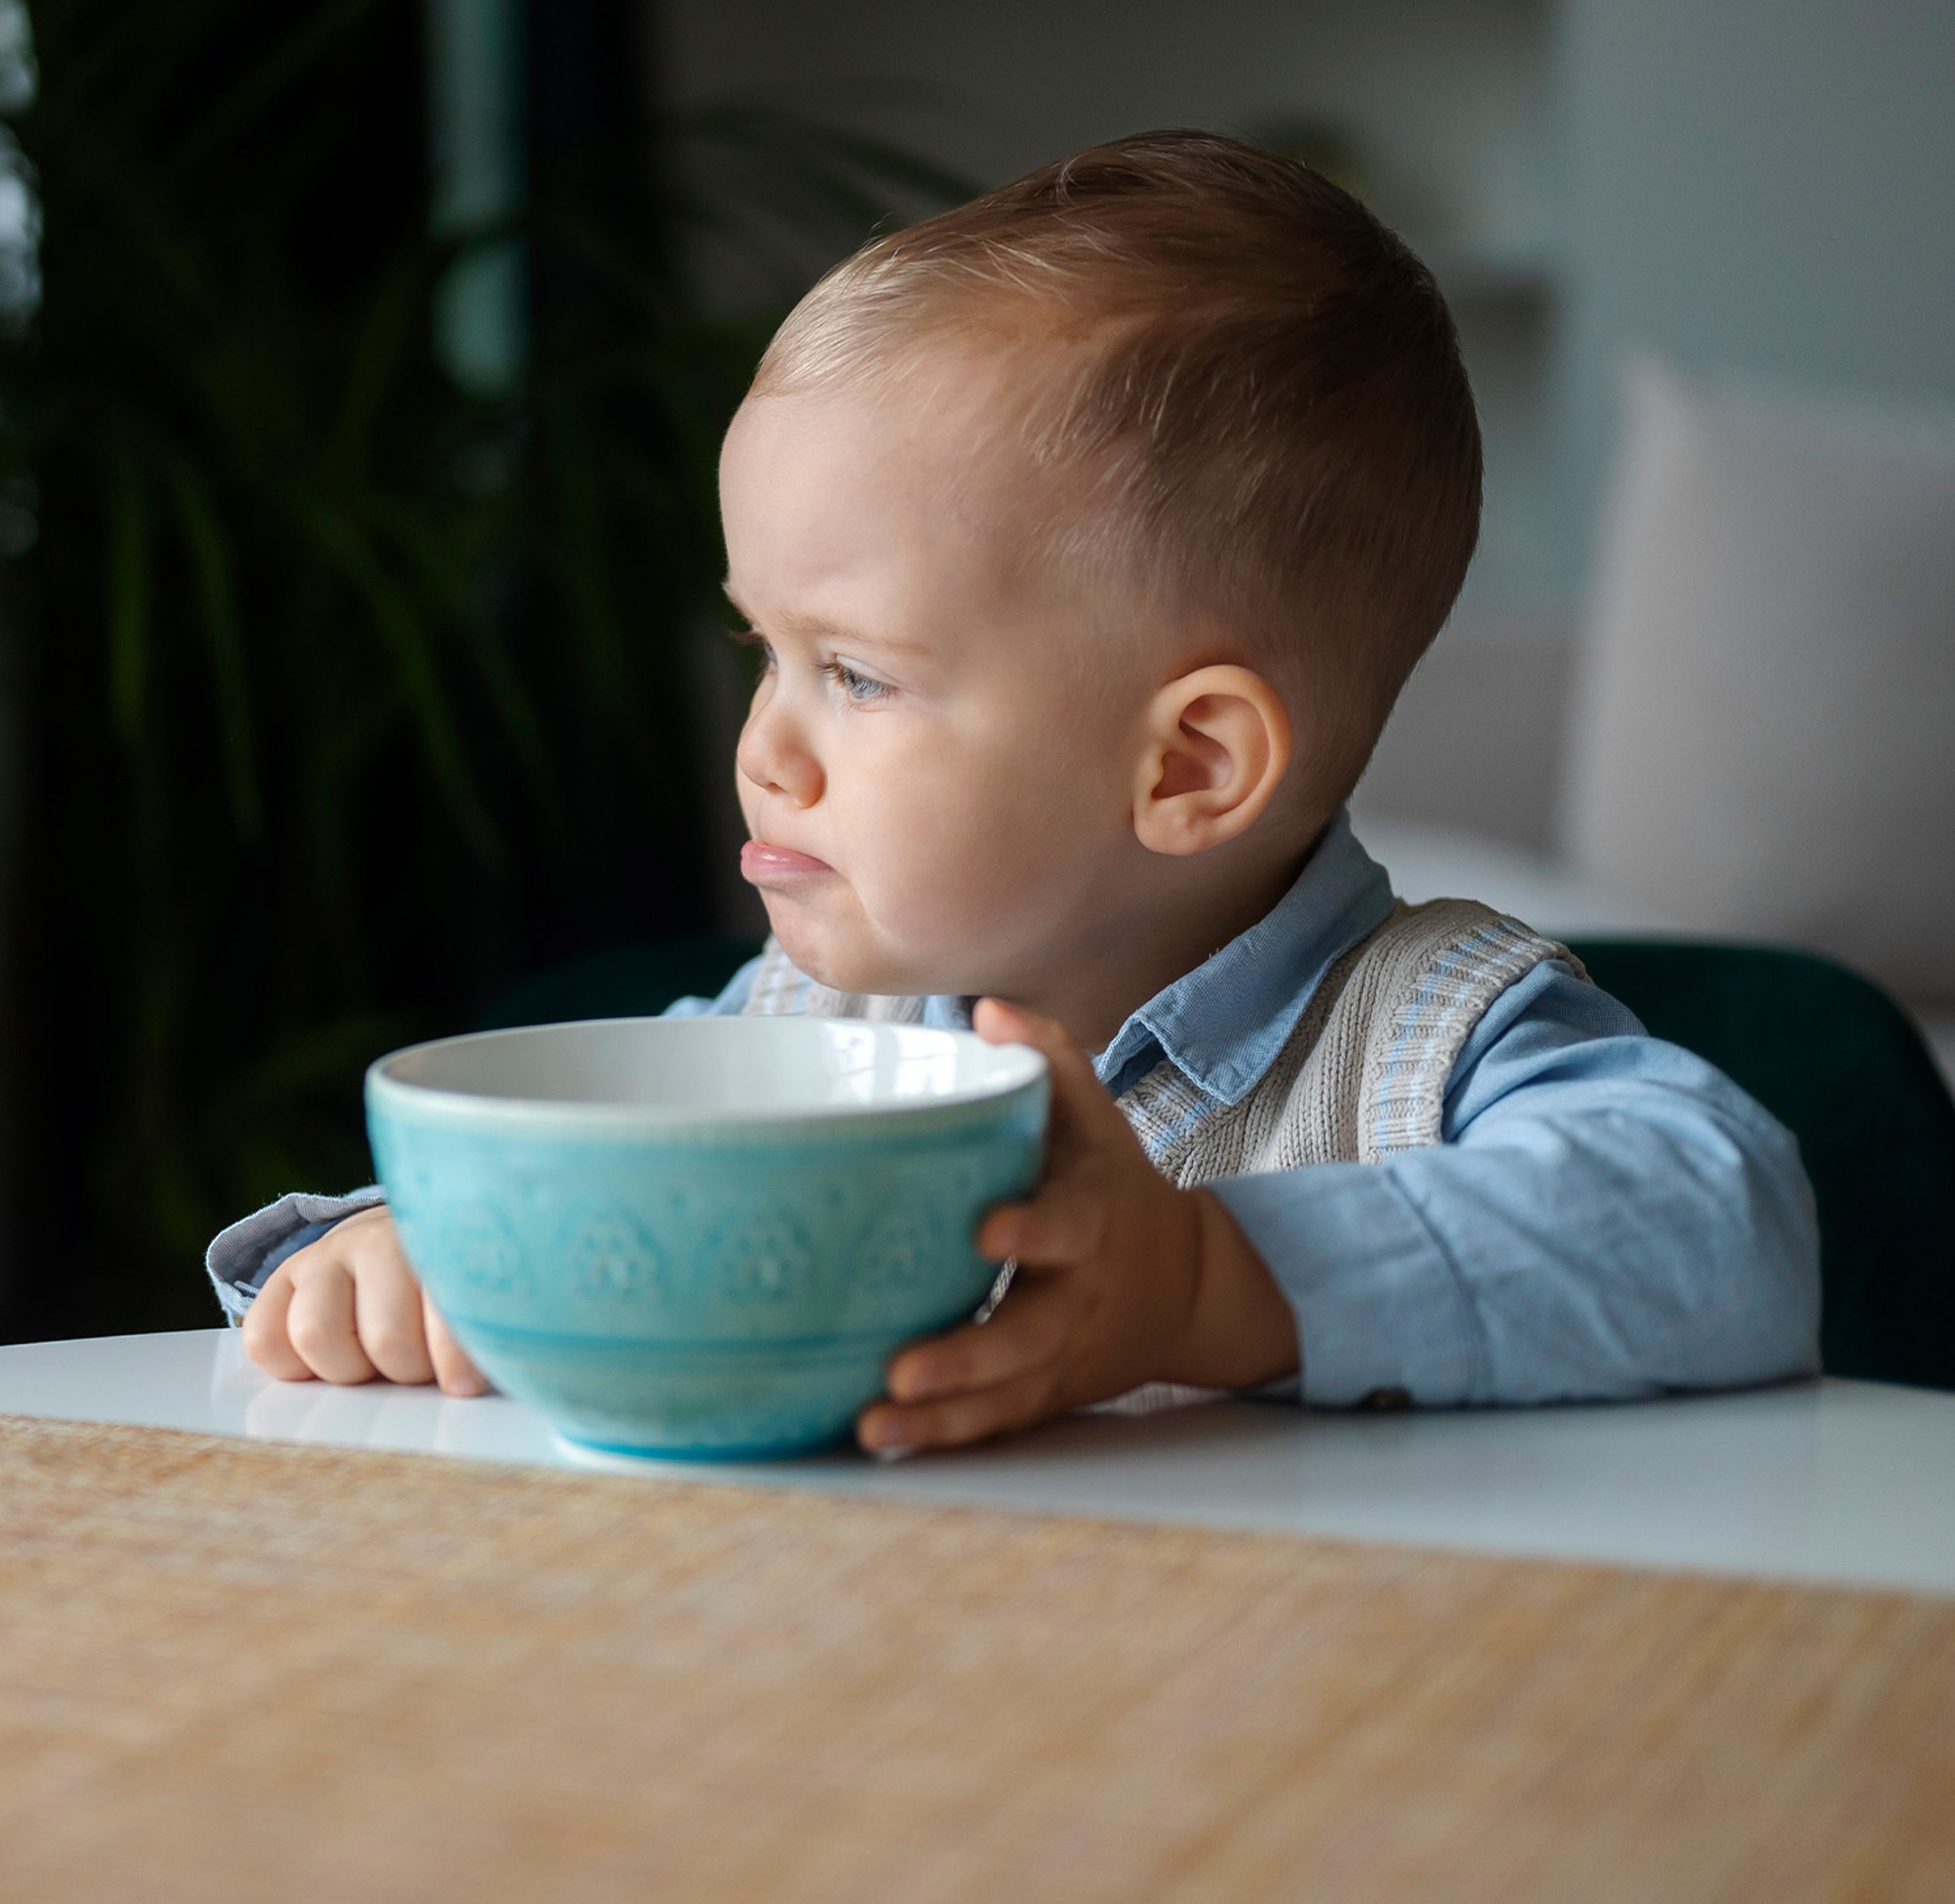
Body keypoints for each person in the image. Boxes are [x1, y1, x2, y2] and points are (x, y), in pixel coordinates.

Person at [204, 130, 1819, 1456]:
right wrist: (396, 1260)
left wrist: (1203, 1277)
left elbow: (1729, 1221)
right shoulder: (801, 1044)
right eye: (763, 649)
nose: (764, 744)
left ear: (1186, 765)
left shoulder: (1424, 1033)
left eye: (856, 672)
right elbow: (542, 1200)